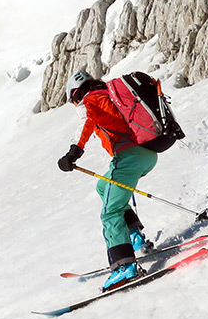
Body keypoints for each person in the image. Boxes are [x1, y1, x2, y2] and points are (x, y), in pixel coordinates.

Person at [57, 70, 157, 291]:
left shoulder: (89, 100)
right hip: (147, 154)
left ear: (76, 93)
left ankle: (125, 267)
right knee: (104, 187)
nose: (75, 105)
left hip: (129, 156)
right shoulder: (110, 95)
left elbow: (86, 122)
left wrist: (73, 153)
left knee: (110, 213)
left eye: (73, 100)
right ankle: (133, 236)